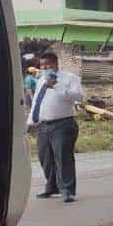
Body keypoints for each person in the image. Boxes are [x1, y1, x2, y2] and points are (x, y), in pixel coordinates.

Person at [29, 51, 83, 203]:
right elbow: (36, 102)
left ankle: (67, 190)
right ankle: (51, 187)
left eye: (48, 64)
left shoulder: (69, 78)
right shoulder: (41, 80)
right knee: (44, 158)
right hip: (43, 125)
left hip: (63, 124)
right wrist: (31, 121)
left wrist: (56, 86)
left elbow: (78, 97)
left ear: (56, 63)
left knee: (63, 158)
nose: (45, 67)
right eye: (42, 65)